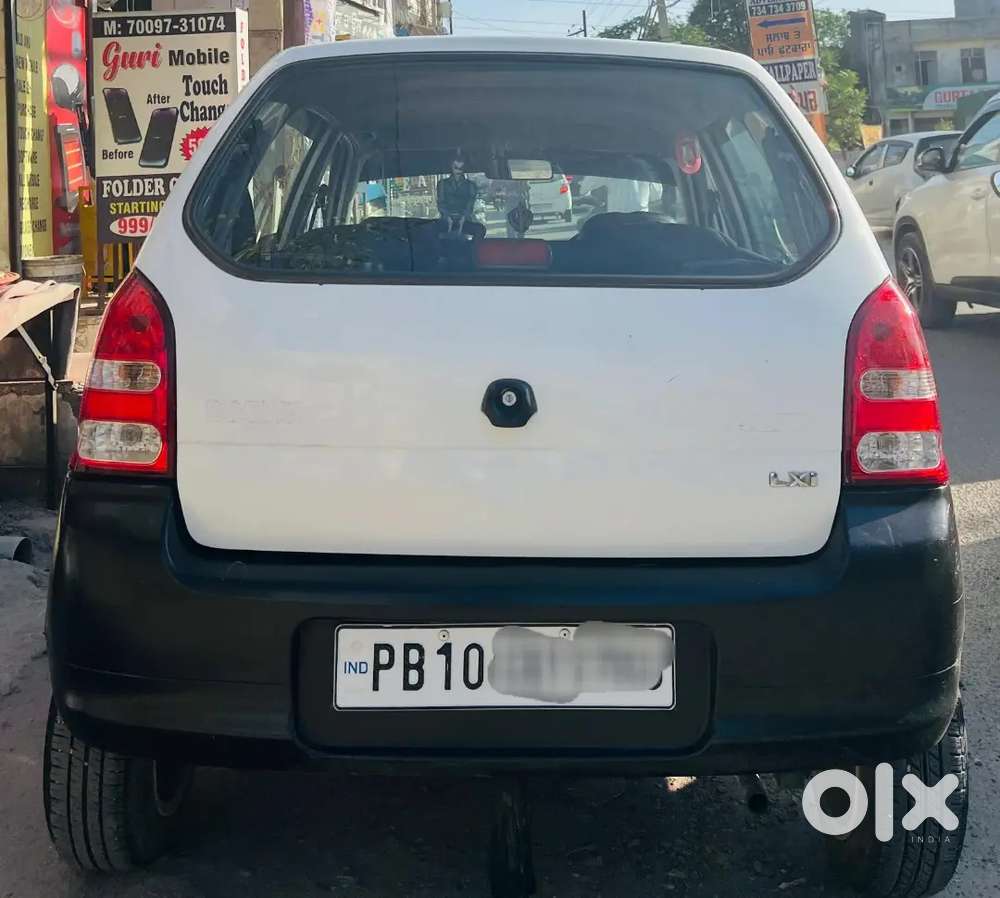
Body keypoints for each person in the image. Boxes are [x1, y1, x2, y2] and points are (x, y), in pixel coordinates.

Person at [436, 157, 478, 236]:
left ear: (464, 169)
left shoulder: (471, 185)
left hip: (466, 220)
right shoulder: (442, 184)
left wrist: (464, 217)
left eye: (461, 168)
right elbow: (440, 202)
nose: (458, 170)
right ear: (451, 167)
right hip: (446, 220)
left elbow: (470, 203)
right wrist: (447, 217)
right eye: (456, 167)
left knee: (479, 230)